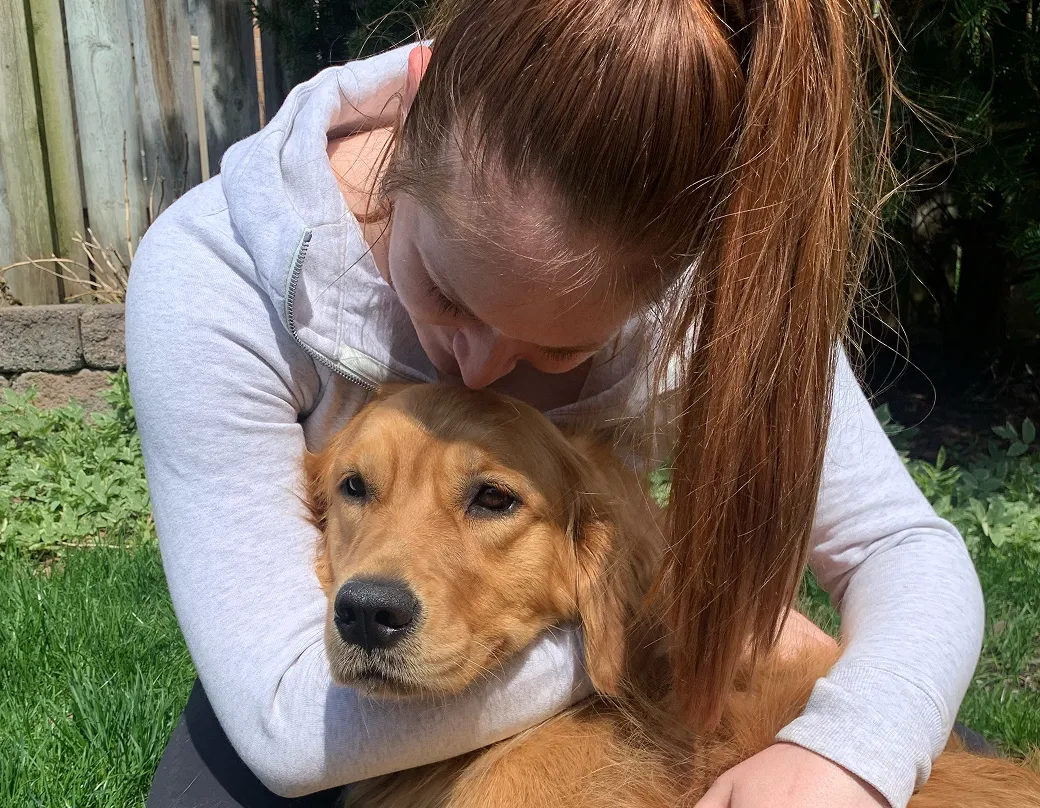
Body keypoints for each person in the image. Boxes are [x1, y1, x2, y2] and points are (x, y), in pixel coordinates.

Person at [126, 1, 985, 807]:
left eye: (560, 348)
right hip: (309, 679)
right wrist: (656, 625)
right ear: (415, 111)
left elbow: (899, 545)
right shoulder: (215, 273)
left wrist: (848, 752)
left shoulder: (712, 280)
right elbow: (281, 719)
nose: (477, 372)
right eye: (447, 293)